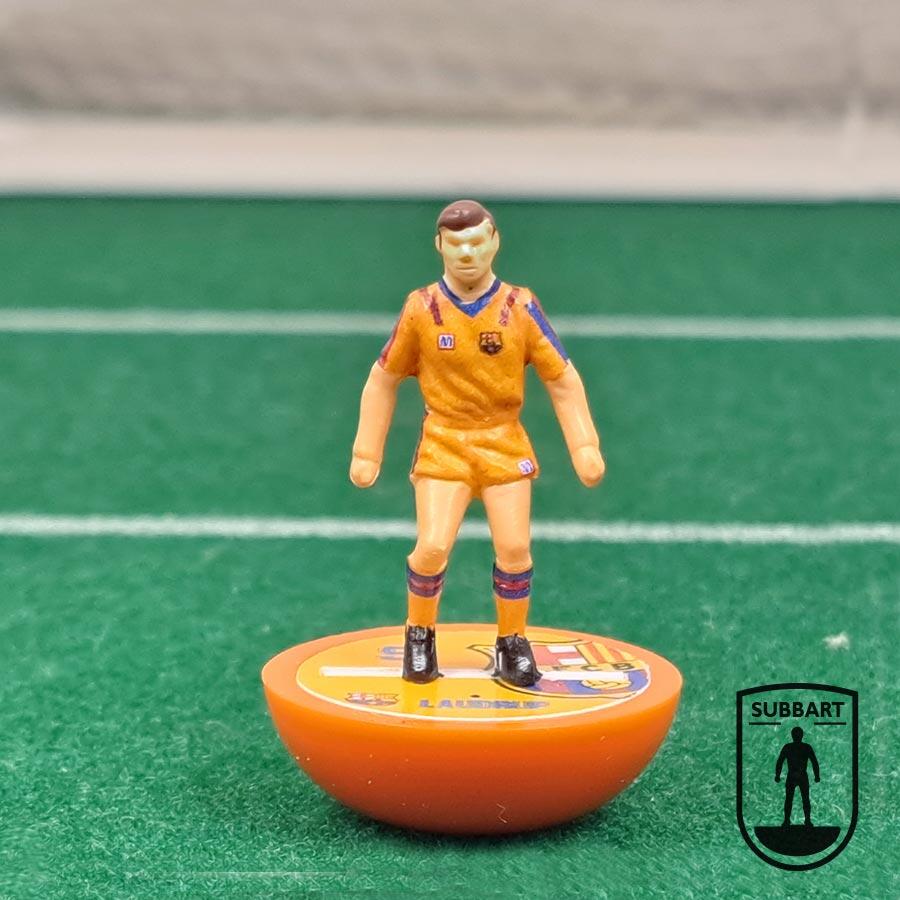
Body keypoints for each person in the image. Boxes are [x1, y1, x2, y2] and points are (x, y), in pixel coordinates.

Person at [350, 199, 605, 686]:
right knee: (431, 547)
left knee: (515, 548)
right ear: (439, 246)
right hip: (445, 442)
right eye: (456, 244)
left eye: (475, 242)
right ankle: (419, 634)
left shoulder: (520, 307)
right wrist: (367, 450)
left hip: (503, 441)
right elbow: (383, 378)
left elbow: (562, 378)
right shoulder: (422, 308)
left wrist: (584, 445)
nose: (466, 254)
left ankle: (512, 641)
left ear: (495, 243)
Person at [775, 726, 821, 826]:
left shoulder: (788, 747)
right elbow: (814, 762)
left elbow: (780, 761)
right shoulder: (806, 747)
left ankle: (788, 820)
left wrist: (777, 775)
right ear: (802, 735)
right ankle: (805, 820)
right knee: (803, 799)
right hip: (801, 775)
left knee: (791, 799)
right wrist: (816, 775)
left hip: (793, 775)